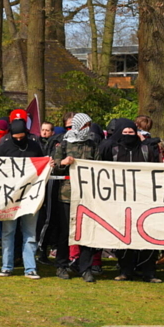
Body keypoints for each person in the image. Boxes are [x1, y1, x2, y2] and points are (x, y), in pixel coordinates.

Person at [99, 118, 163, 282]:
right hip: (121, 199)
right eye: (125, 132)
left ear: (137, 133)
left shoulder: (146, 149)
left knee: (147, 234)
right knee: (124, 234)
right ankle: (125, 270)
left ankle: (148, 271)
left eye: (131, 132)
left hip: (144, 199)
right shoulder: (114, 150)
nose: (128, 135)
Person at [48, 113, 99, 281]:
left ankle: (85, 268)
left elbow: (99, 165)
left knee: (86, 232)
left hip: (87, 195)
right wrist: (63, 163)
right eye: (85, 125)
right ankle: (61, 265)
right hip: (67, 195)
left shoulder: (92, 144)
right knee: (65, 232)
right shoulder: (64, 143)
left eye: (89, 125)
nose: (87, 129)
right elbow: (54, 166)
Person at [0, 118, 44, 279]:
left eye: (21, 137)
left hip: (30, 197)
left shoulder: (35, 146)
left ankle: (30, 268)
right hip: (10, 197)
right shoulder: (4, 147)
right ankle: (6, 266)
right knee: (8, 232)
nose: (18, 140)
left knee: (30, 233)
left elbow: (41, 166)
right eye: (15, 137)